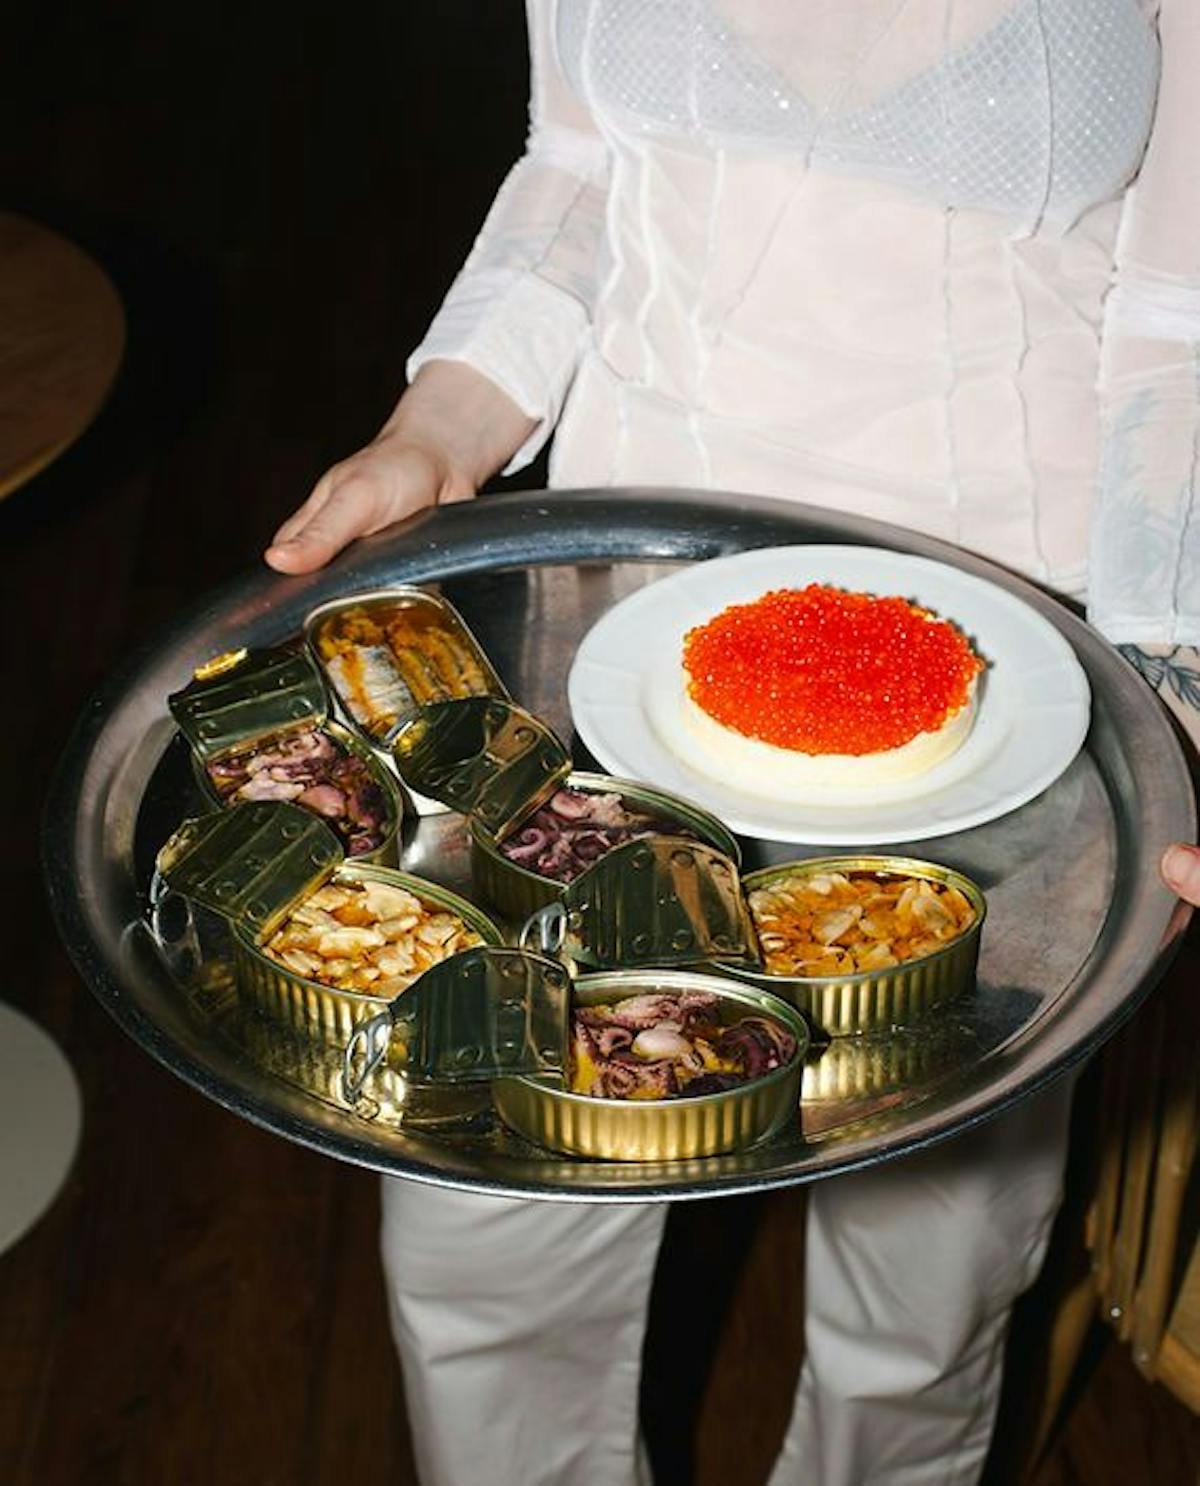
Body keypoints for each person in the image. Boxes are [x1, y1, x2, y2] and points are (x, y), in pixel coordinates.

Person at [266, 4, 1200, 1483]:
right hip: (616, 631)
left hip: (1002, 690)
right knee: (487, 1228)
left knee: (924, 1286)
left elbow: (1179, 323)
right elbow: (578, 168)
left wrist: (1174, 674)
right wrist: (435, 430)